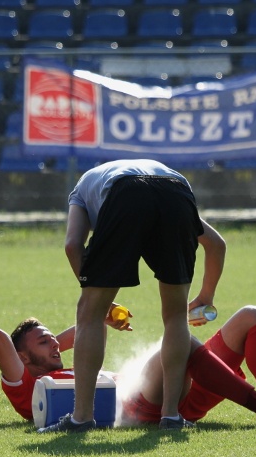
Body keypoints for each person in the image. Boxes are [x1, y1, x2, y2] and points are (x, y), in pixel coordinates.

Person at [43, 159, 226, 433]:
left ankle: (81, 418)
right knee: (176, 316)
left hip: (125, 192)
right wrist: (206, 296)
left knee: (89, 314)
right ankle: (171, 415)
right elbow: (216, 244)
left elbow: (72, 245)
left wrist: (97, 297)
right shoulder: (164, 178)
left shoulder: (81, 189)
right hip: (177, 192)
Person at [0, 304, 256, 429]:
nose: (56, 345)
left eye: (52, 340)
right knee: (181, 339)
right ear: (25, 359)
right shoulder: (29, 389)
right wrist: (43, 348)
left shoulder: (73, 367)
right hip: (146, 404)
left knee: (252, 315)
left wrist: (52, 342)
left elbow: (94, 328)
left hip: (183, 385)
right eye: (43, 343)